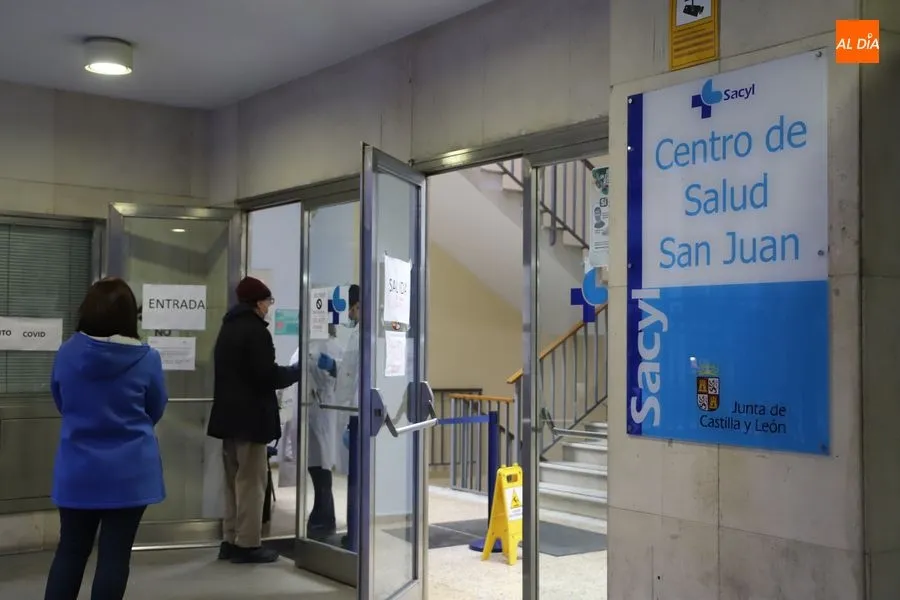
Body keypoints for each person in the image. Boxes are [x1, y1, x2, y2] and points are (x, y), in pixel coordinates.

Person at [44, 278, 168, 600]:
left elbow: (62, 402)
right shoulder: (147, 358)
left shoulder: (67, 353)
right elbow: (155, 408)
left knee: (70, 551)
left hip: (78, 469)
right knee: (115, 555)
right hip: (130, 472)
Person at [207, 276, 301, 564]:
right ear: (258, 302)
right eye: (268, 302)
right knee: (251, 483)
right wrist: (296, 372)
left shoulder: (227, 327)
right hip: (250, 420)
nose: (269, 308)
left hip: (228, 419)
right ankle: (247, 544)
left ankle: (230, 538)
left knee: (233, 483)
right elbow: (266, 376)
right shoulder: (256, 331)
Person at [315, 284, 360, 549]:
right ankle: (352, 532)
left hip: (357, 411)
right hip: (351, 411)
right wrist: (335, 368)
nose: (350, 316)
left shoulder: (365, 334)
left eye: (352, 309)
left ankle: (355, 534)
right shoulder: (356, 334)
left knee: (358, 478)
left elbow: (354, 376)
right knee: (353, 476)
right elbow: (348, 373)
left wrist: (335, 368)